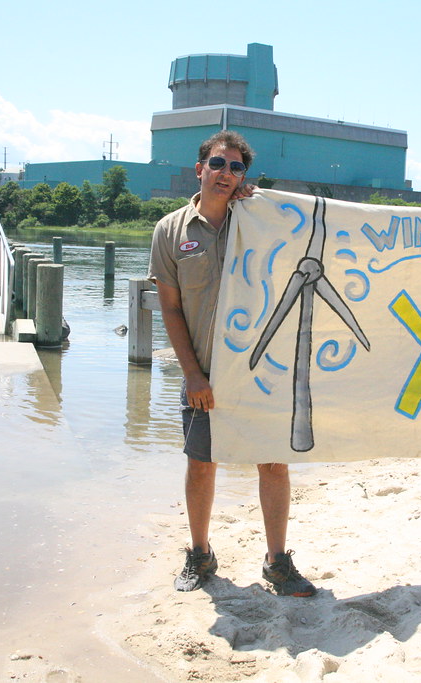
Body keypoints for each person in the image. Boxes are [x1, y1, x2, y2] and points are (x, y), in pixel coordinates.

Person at [147, 130, 317, 596]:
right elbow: (171, 308)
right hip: (203, 374)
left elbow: (312, 235)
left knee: (273, 465)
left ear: (246, 176)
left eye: (237, 167)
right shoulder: (171, 231)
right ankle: (200, 555)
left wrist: (263, 202)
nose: (226, 174)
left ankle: (278, 562)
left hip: (263, 374)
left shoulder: (261, 220)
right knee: (202, 464)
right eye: (218, 164)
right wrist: (192, 374)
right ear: (200, 168)